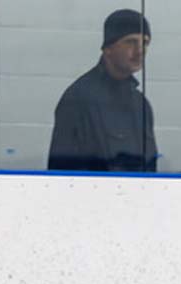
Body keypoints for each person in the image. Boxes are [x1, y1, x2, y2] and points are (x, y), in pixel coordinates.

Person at [48, 9, 157, 172]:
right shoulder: (79, 99)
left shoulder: (141, 105)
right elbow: (62, 170)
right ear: (108, 48)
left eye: (145, 42)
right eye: (130, 41)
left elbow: (149, 169)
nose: (140, 50)